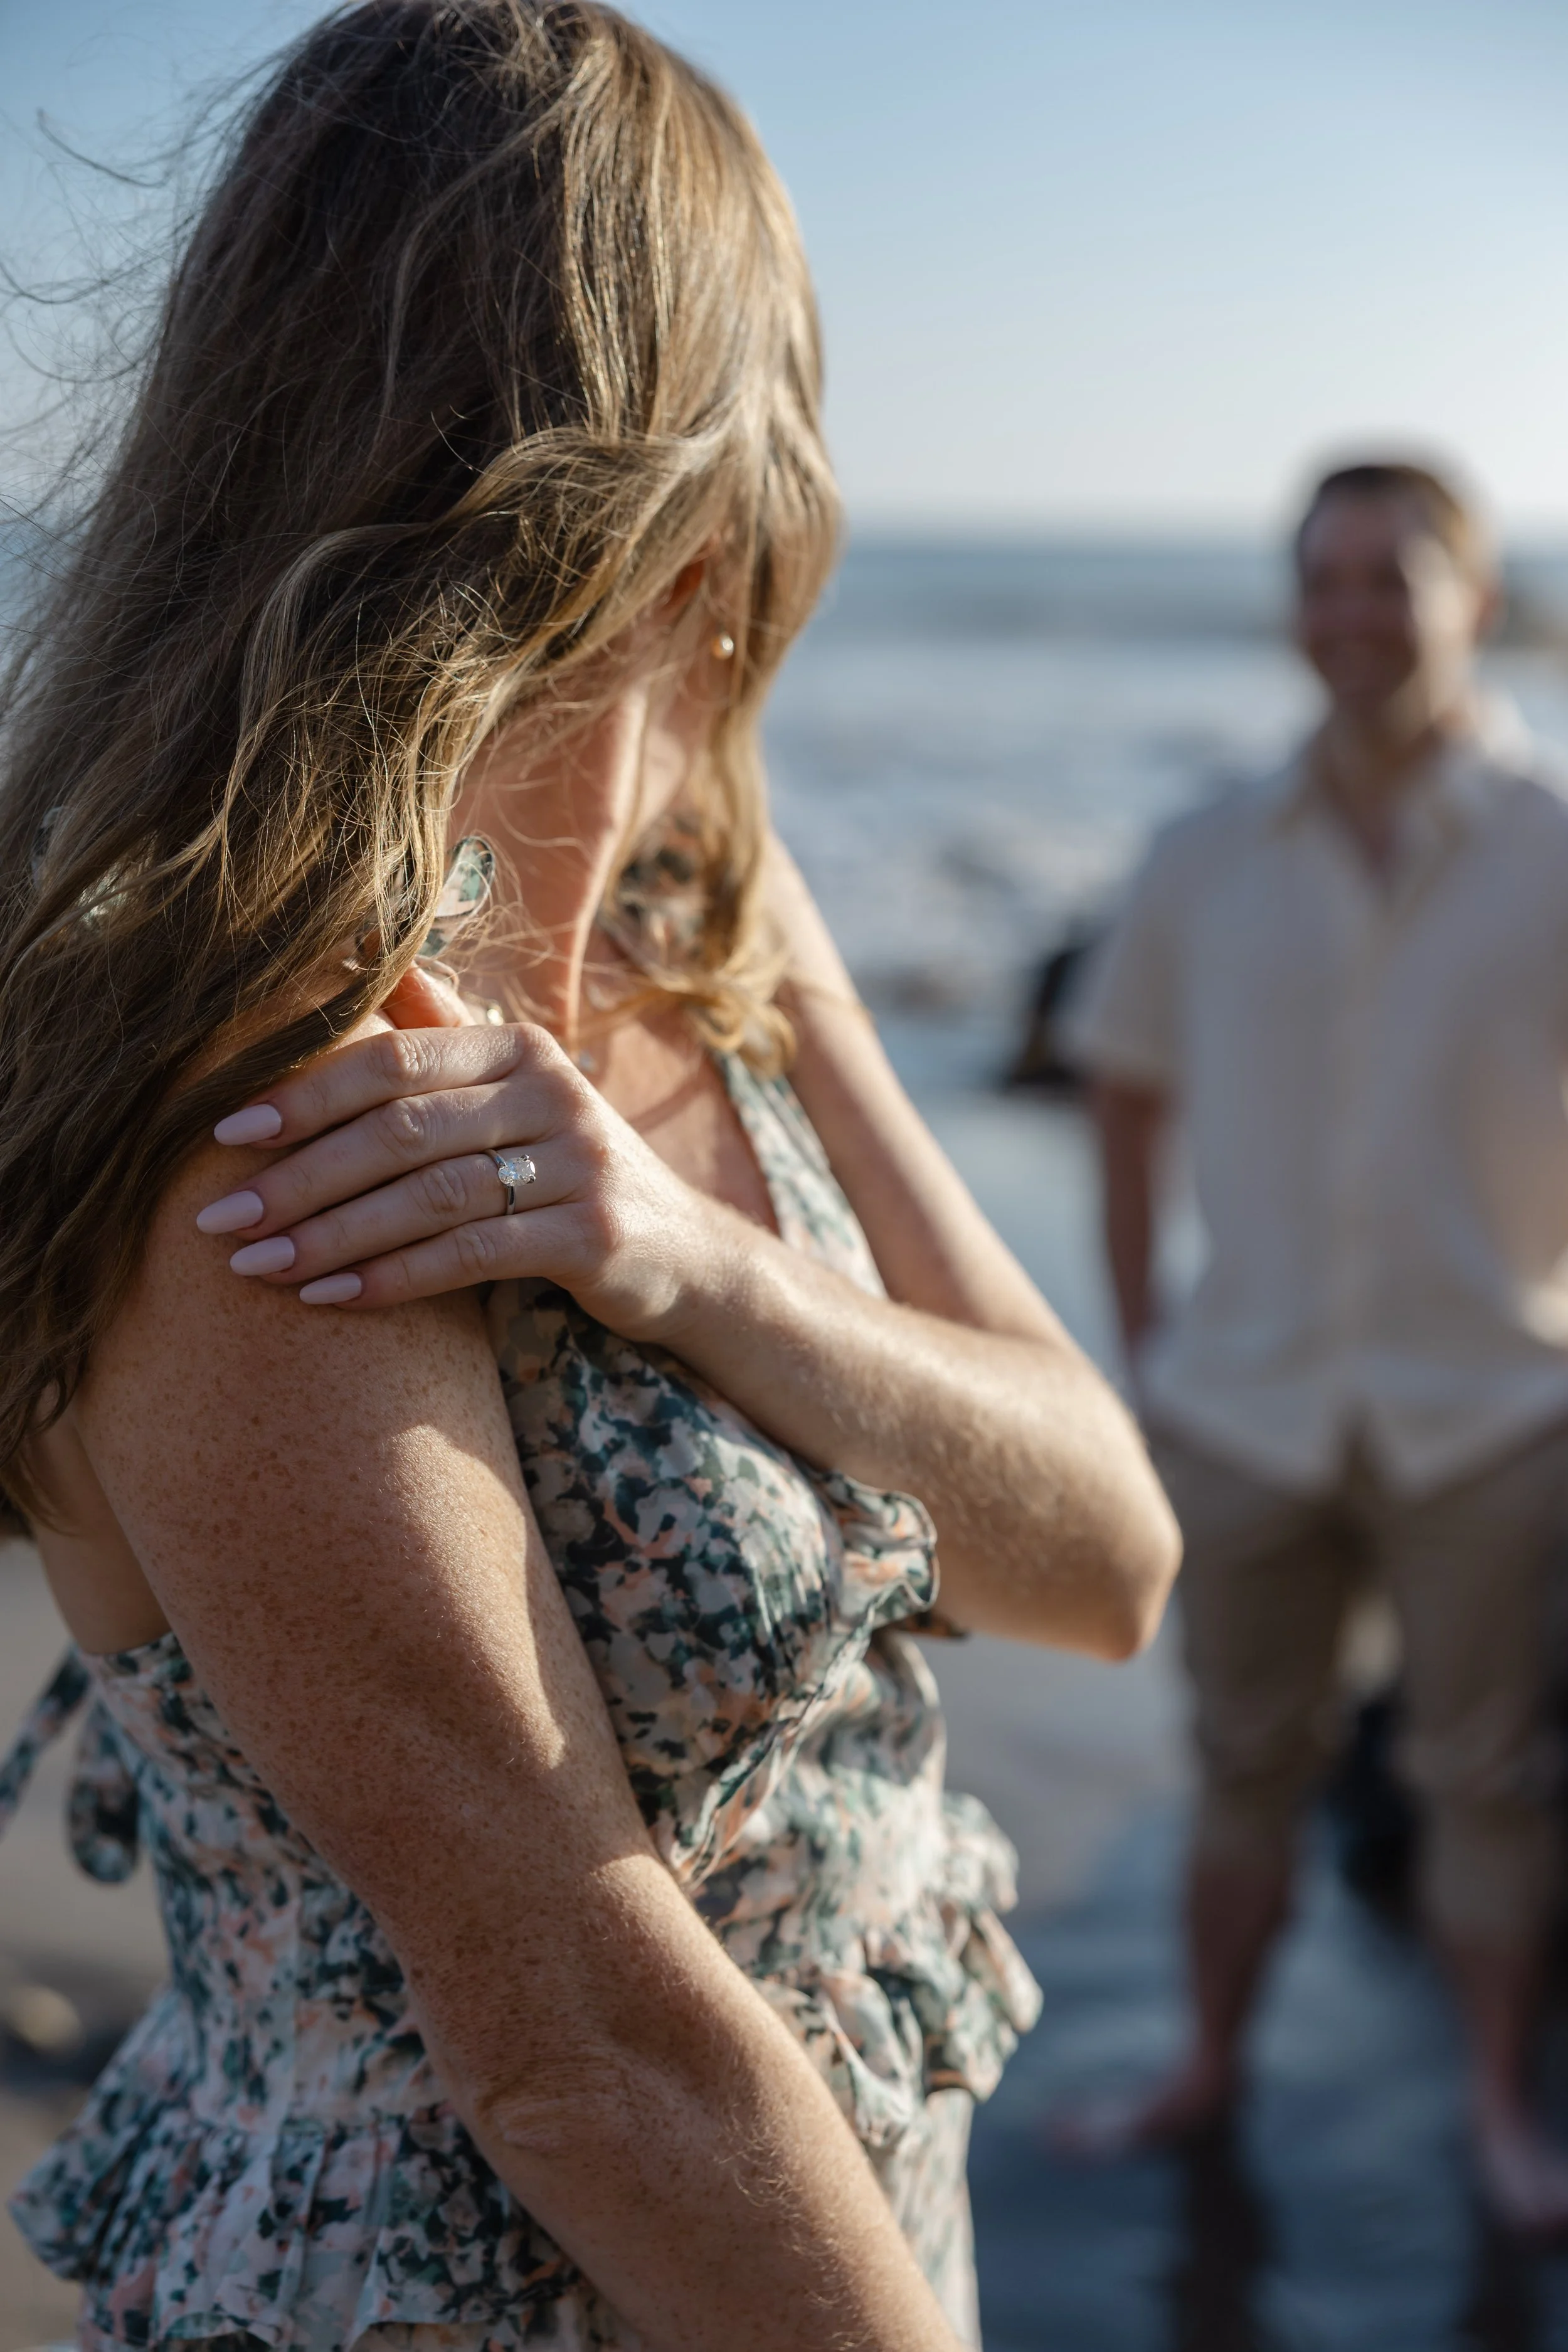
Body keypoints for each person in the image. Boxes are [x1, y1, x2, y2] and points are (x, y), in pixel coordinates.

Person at [0, 7, 1180, 2348]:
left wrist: (688, 1258)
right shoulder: (262, 1084)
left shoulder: (710, 924)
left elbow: (1104, 1555)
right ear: (696, 500)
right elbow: (578, 2045)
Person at [1066, 455, 1568, 2230]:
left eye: (1388, 578)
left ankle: (1502, 2110)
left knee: (1483, 1783)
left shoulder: (1553, 849)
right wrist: (1141, 1345)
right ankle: (1204, 2065)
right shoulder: (1198, 853)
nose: (1350, 612)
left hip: (1495, 1409)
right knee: (1235, 1772)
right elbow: (1121, 1101)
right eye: (1321, 578)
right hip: (1246, 1402)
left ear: (1473, 601)